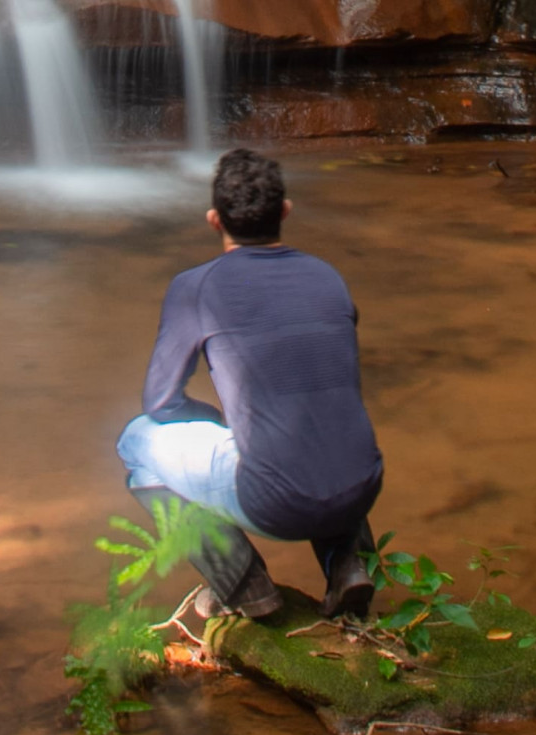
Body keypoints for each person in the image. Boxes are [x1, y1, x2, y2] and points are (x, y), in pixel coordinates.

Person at [115, 146, 382, 624]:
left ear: (214, 220)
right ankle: (349, 562)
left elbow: (159, 400)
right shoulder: (328, 277)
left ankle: (246, 585)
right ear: (285, 212)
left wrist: (216, 420)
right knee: (316, 428)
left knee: (136, 440)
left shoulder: (196, 287)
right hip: (363, 484)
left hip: (275, 501)